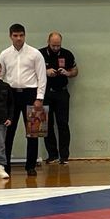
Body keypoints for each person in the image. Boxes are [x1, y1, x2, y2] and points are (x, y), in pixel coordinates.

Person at [0, 23, 47, 177]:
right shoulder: (4, 54)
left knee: (33, 133)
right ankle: (5, 166)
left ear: (25, 35)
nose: (18, 38)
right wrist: (1, 98)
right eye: (15, 35)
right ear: (10, 36)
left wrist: (39, 98)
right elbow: (1, 76)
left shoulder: (35, 54)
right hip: (11, 94)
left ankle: (31, 166)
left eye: (21, 35)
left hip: (31, 94)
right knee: (8, 132)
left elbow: (42, 77)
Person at [40, 31, 78, 165]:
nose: (56, 48)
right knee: (46, 125)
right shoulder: (40, 54)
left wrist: (67, 73)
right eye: (53, 45)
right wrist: (45, 72)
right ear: (48, 42)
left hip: (61, 92)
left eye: (58, 45)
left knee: (63, 124)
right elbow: (32, 72)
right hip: (45, 93)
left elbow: (75, 71)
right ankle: (52, 155)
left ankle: (64, 156)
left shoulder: (67, 54)